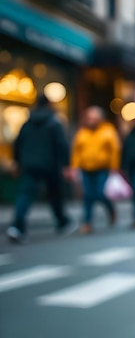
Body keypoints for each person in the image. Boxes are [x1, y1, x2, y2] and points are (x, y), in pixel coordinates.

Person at [6, 94, 74, 243]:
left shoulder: (27, 123)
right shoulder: (54, 123)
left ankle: (17, 226)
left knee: (25, 195)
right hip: (49, 165)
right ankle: (62, 222)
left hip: (29, 164)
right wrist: (66, 165)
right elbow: (62, 145)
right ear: (49, 104)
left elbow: (18, 143)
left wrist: (16, 161)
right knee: (55, 194)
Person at [71, 106, 120, 233]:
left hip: (102, 168)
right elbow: (76, 151)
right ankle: (87, 223)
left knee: (99, 193)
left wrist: (114, 167)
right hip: (85, 168)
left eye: (94, 118)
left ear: (100, 119)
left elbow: (115, 150)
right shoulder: (82, 132)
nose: (91, 120)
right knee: (87, 195)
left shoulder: (108, 131)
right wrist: (74, 167)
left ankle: (111, 209)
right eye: (89, 118)